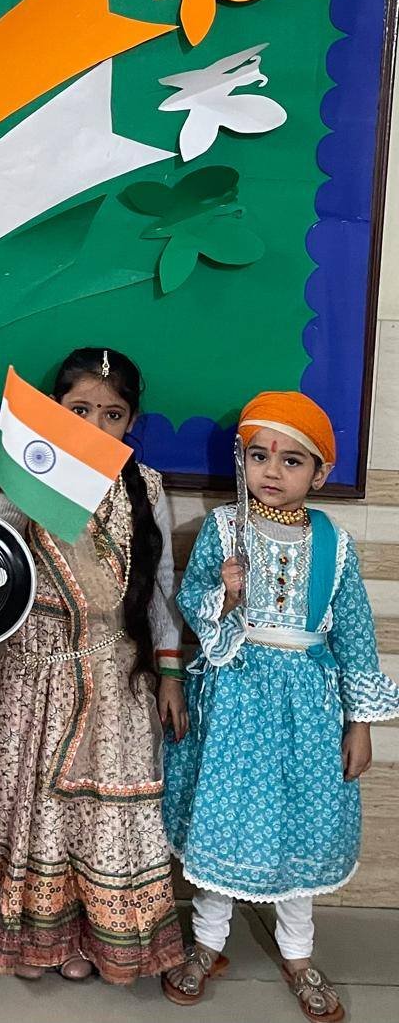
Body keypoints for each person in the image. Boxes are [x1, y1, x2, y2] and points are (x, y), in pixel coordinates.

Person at [0, 348, 186, 983]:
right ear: (54, 410)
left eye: (112, 414)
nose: (94, 425)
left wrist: (169, 674)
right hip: (37, 669)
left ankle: (85, 938)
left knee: (98, 812)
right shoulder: (29, 473)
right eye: (78, 410)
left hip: (115, 678)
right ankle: (30, 936)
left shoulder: (145, 487)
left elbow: (160, 586)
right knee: (30, 800)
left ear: (131, 422)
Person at [161, 391, 399, 1022]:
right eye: (259, 456)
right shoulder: (224, 529)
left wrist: (361, 723)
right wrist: (226, 594)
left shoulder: (334, 544)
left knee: (303, 822)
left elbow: (355, 636)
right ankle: (206, 943)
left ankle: (298, 952)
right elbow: (193, 605)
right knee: (227, 819)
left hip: (309, 712)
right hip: (235, 704)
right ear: (241, 460)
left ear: (319, 473)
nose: (272, 471)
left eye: (292, 460)